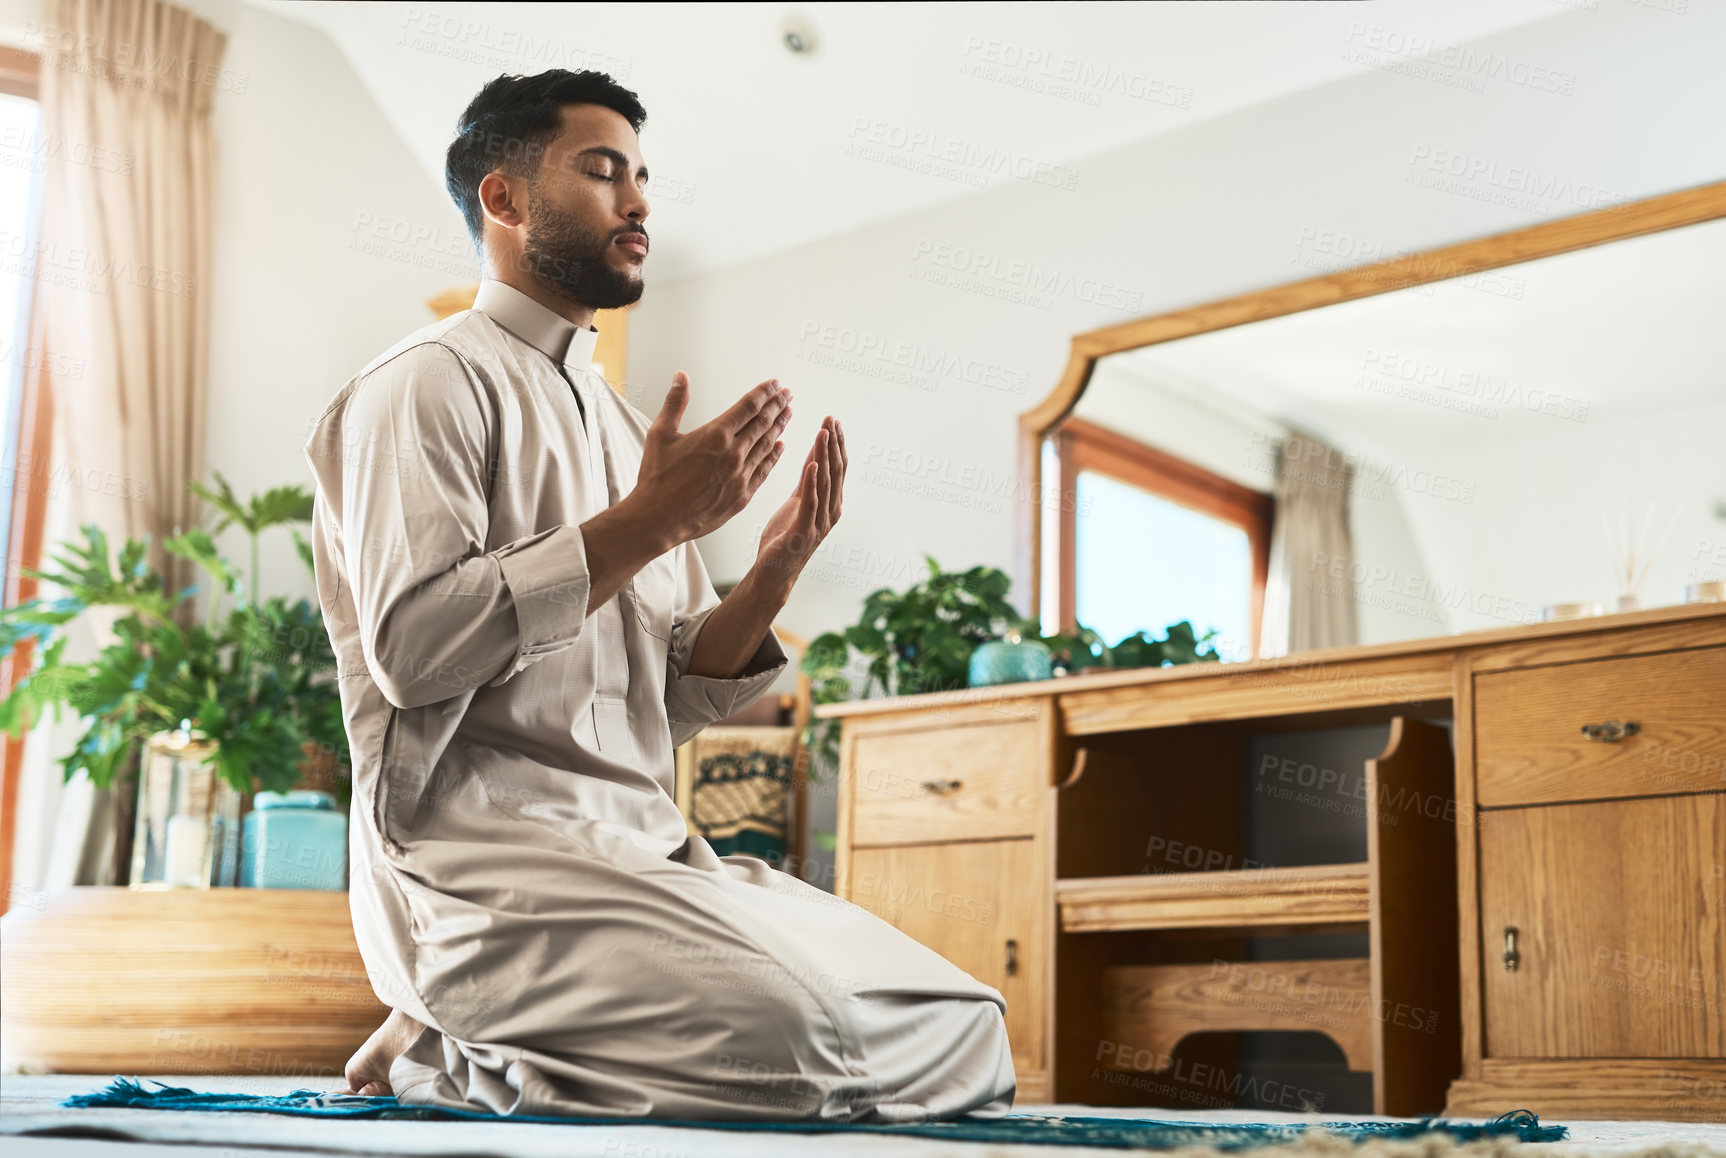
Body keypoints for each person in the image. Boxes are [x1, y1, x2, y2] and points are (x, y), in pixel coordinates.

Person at [301, 68, 1015, 1121]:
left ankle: (473, 1036)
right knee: (812, 1044)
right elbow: (413, 653)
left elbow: (666, 696)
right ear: (504, 200)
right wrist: (653, 522)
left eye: (642, 176)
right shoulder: (422, 384)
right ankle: (453, 1037)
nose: (638, 203)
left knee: (970, 1024)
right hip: (482, 864)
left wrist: (770, 571)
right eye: (601, 171)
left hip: (647, 854)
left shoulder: (628, 428)